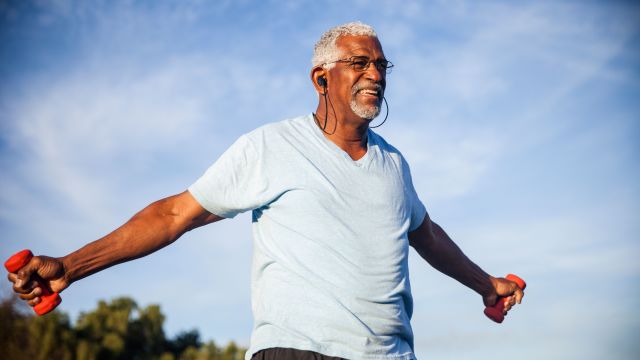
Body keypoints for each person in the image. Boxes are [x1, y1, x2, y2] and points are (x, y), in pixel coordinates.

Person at [7, 22, 524, 360]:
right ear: (321, 78)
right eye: (360, 63)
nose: (374, 74)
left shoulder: (394, 163)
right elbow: (173, 215)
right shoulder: (272, 146)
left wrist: (486, 284)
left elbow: (426, 235)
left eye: (381, 65)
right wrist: (71, 266)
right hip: (297, 352)